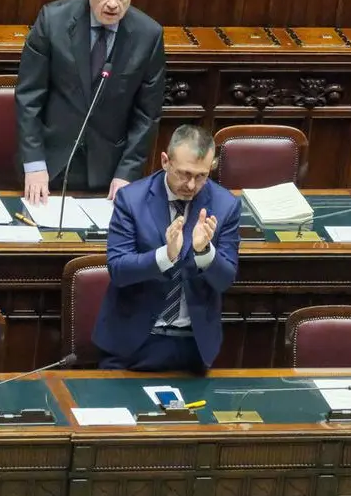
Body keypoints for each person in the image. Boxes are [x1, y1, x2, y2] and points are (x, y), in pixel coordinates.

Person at [16, 0, 166, 205]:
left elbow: (147, 114)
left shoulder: (148, 35)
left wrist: (126, 173)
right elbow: (29, 96)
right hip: (49, 165)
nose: (113, 4)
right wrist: (34, 164)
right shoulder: (53, 21)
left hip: (109, 172)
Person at [92, 124, 242, 372]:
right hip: (132, 345)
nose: (191, 185)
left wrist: (205, 253)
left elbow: (225, 280)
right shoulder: (131, 199)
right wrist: (165, 256)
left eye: (201, 176)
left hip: (193, 346)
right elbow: (118, 270)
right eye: (184, 173)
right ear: (165, 161)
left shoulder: (225, 205)